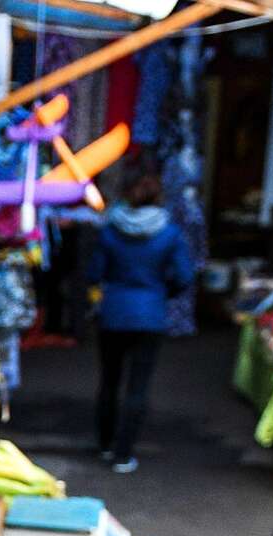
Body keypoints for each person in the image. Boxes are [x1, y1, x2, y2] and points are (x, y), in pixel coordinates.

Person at [87, 173, 196, 473]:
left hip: (113, 313)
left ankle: (105, 446)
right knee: (138, 385)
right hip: (150, 315)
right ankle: (124, 454)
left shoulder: (110, 230)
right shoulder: (170, 233)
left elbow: (94, 272)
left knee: (109, 381)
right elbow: (184, 276)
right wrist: (160, 294)